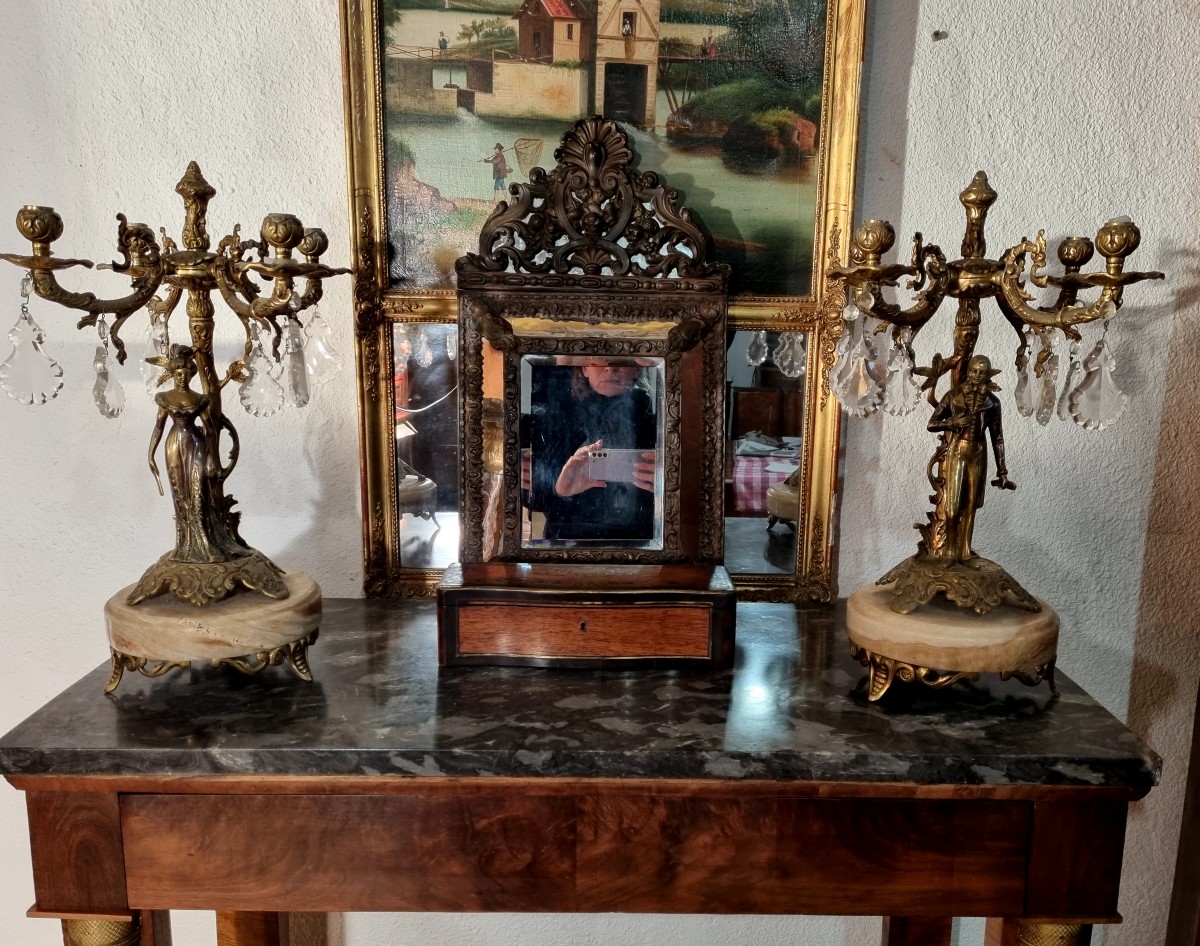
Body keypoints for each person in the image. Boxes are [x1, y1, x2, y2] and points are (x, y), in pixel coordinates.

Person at [528, 359, 658, 543]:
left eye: (621, 358)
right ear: (584, 368)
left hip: (645, 548)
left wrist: (670, 486)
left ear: (637, 369)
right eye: (597, 358)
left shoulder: (663, 427)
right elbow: (530, 499)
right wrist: (558, 489)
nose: (610, 367)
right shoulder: (555, 424)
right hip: (566, 550)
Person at [145, 345, 235, 563]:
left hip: (196, 443)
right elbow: (158, 427)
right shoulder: (165, 398)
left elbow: (211, 429)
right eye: (178, 374)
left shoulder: (200, 399)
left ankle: (204, 541)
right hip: (173, 445)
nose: (182, 378)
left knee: (198, 491)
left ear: (192, 374)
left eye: (186, 374)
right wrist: (150, 455)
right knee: (180, 491)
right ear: (173, 374)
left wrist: (213, 456)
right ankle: (184, 544)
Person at [925, 354, 1014, 563]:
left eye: (982, 373)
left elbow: (997, 437)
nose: (977, 376)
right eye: (974, 371)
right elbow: (931, 423)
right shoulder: (952, 396)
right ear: (968, 372)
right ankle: (949, 551)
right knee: (953, 504)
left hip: (978, 452)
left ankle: (965, 550)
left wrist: (1002, 471)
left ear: (987, 376)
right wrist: (952, 422)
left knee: (971, 505)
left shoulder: (993, 403)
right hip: (958, 450)